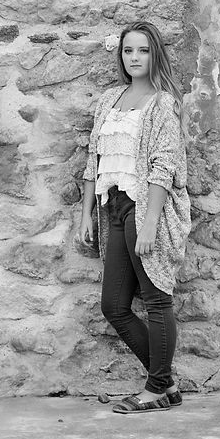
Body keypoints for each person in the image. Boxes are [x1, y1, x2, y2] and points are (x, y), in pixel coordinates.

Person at [79, 21, 192, 414]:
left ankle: (157, 386)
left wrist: (150, 223)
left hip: (143, 208)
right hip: (112, 206)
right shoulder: (110, 99)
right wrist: (86, 214)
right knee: (114, 306)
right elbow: (93, 159)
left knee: (157, 299)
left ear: (154, 54)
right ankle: (166, 382)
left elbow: (164, 166)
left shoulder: (163, 104)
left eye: (143, 50)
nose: (134, 57)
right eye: (128, 50)